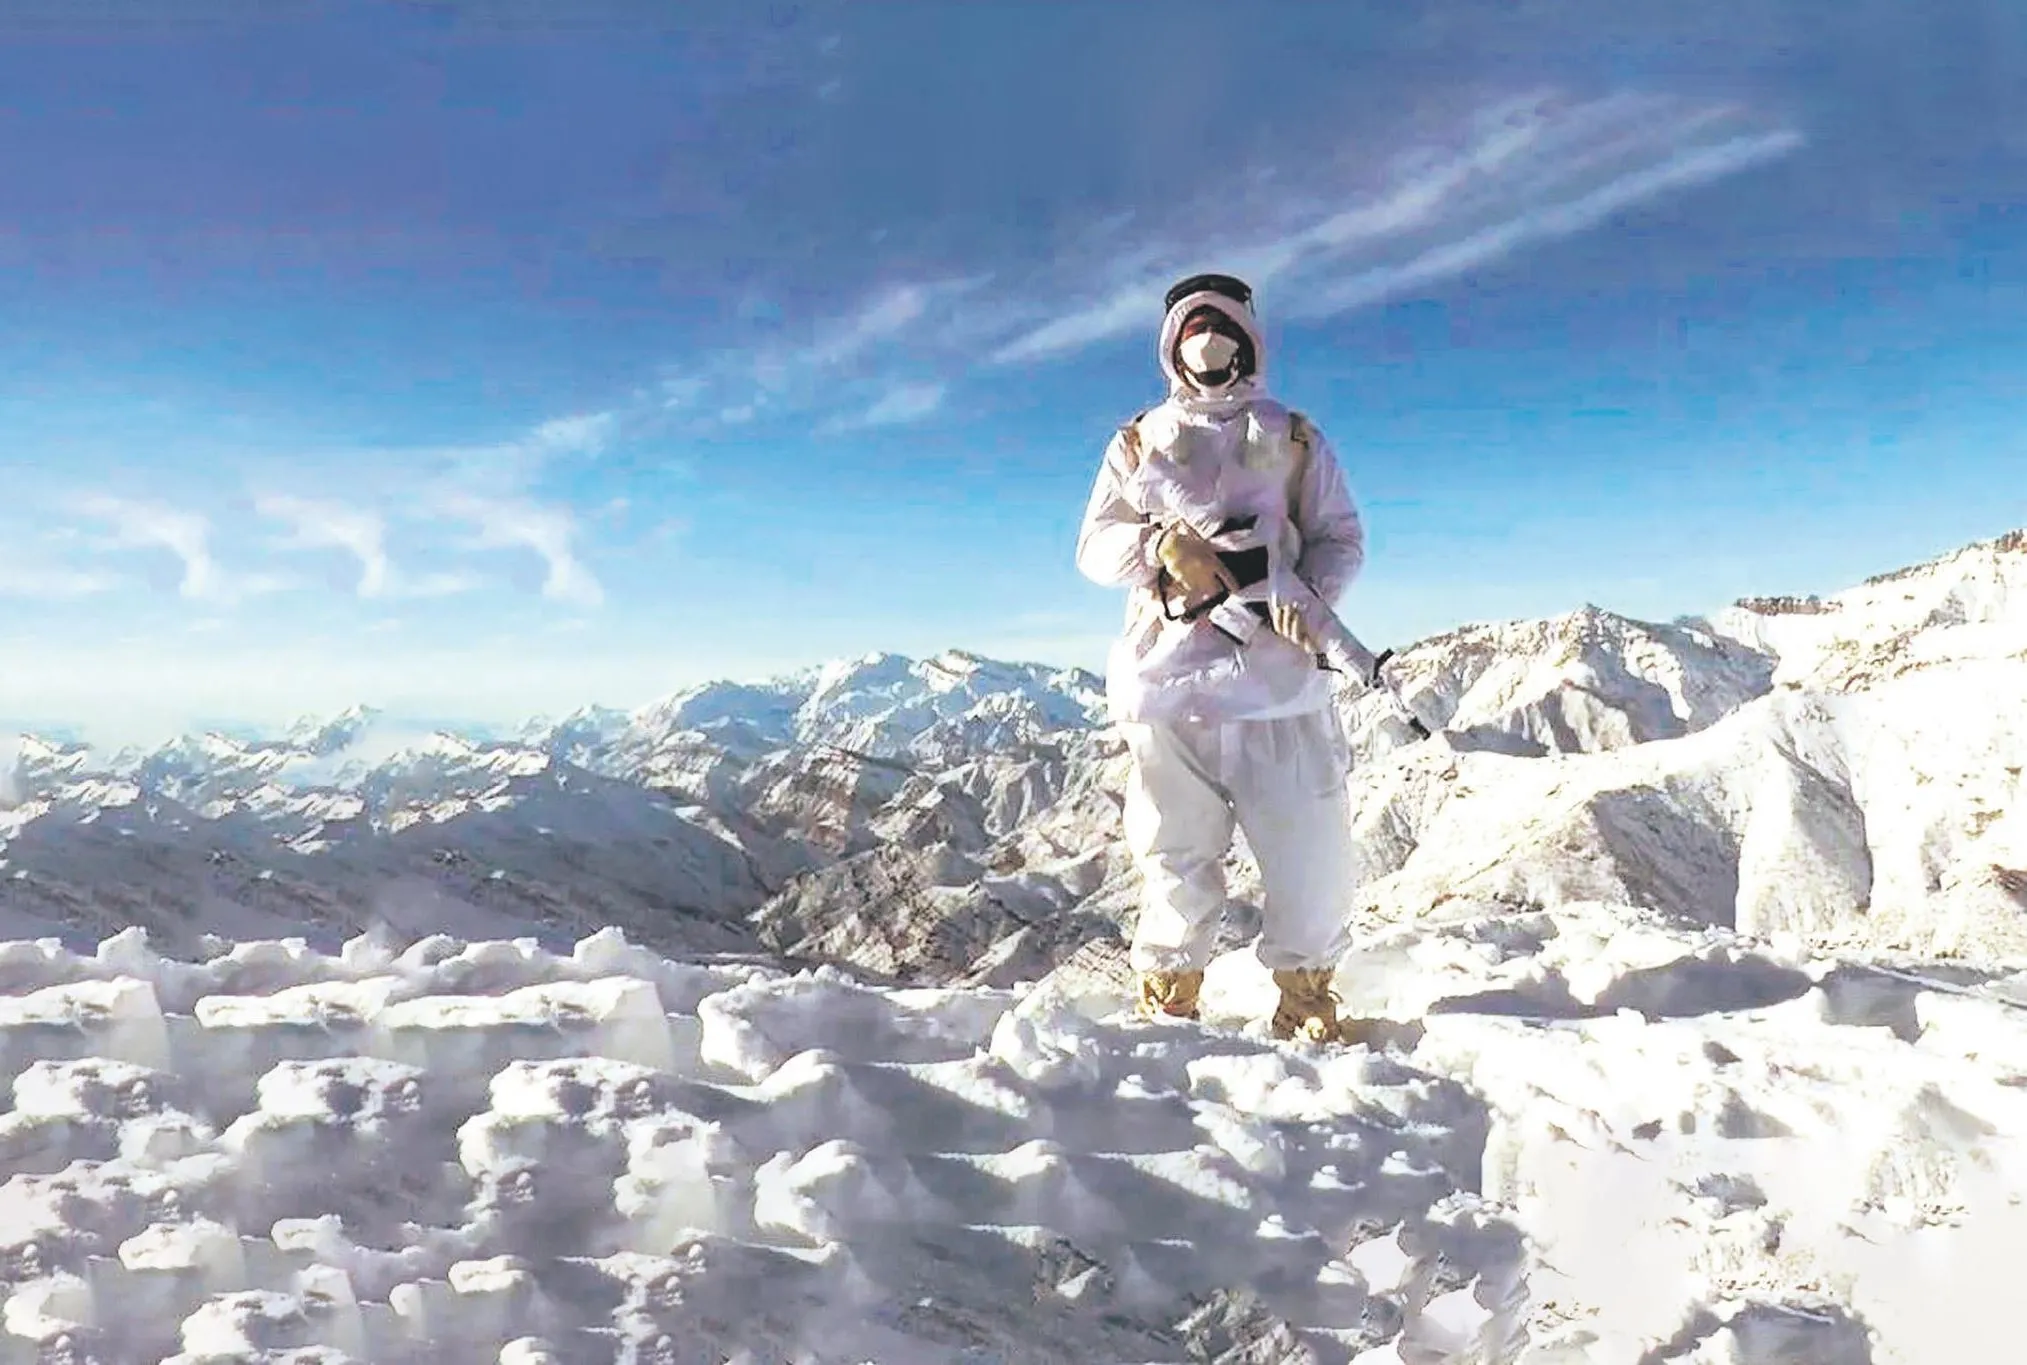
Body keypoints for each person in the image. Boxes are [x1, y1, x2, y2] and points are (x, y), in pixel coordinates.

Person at [1074, 272, 1367, 1043]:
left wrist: (1302, 600)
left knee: (1309, 853)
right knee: (1172, 855)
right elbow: (1095, 548)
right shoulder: (1137, 442)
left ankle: (1307, 1000)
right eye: (1194, 336)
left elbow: (1340, 536)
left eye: (1225, 334)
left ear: (1250, 341)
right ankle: (1168, 1002)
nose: (1211, 352)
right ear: (1170, 347)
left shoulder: (1294, 438)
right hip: (1166, 688)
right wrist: (1157, 546)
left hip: (1279, 686)